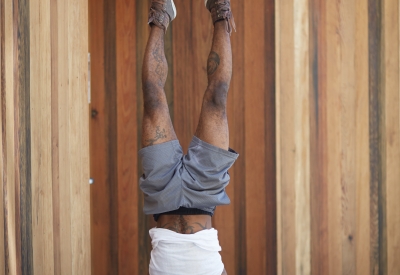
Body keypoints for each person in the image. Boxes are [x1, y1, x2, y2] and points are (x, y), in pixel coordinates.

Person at [139, 0, 237, 274]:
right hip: (204, 192)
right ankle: (220, 9)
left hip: (162, 192)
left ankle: (161, 13)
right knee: (217, 99)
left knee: (152, 97)